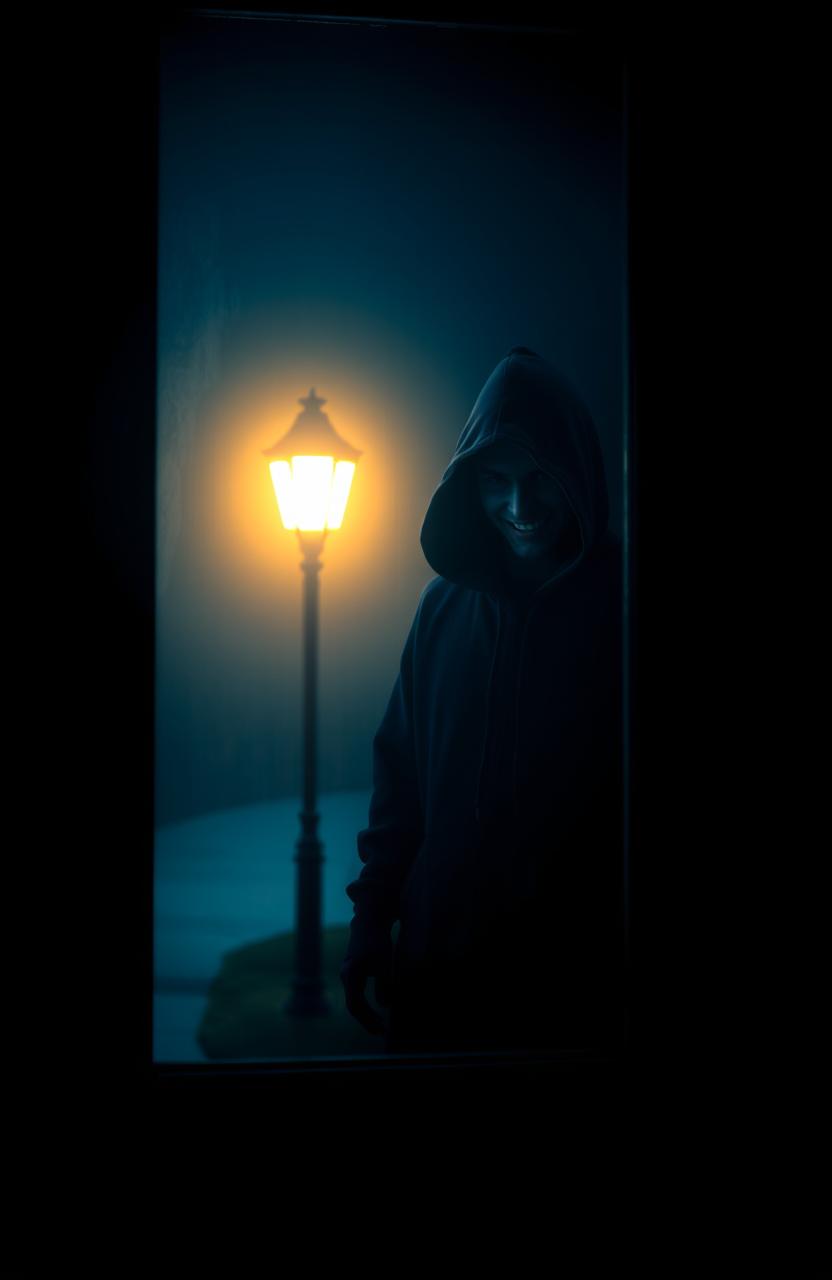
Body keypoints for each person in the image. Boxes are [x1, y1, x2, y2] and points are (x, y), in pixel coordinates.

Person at [340, 346, 626, 1055]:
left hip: (578, 1001)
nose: (521, 507)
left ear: (577, 475)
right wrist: (373, 923)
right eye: (497, 481)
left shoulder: (624, 612)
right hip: (440, 985)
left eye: (541, 479)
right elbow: (399, 782)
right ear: (469, 485)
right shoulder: (440, 612)